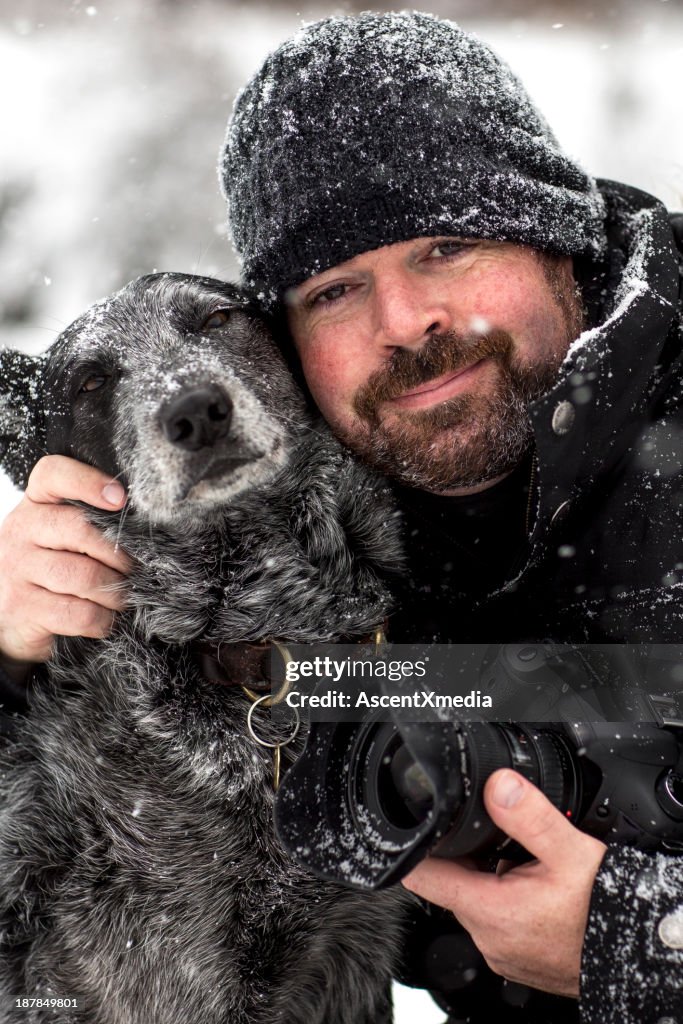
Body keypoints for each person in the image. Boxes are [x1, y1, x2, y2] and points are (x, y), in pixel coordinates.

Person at [1, 11, 682, 1023]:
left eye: (446, 247)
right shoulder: (337, 530)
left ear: (559, 237)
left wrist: (643, 939)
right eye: (336, 288)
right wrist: (20, 662)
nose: (403, 324)